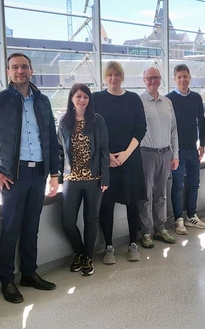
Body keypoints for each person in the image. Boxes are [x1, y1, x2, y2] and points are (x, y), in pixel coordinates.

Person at [0, 52, 59, 304]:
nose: (20, 71)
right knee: (10, 229)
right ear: (8, 72)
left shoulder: (42, 101)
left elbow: (51, 139)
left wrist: (54, 173)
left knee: (32, 227)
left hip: (38, 172)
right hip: (12, 176)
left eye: (24, 67)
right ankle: (7, 281)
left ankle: (29, 274)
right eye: (15, 67)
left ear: (31, 70)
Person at [92, 61, 147, 264]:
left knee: (132, 203)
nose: (113, 78)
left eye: (116, 74)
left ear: (122, 76)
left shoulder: (133, 99)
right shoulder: (96, 98)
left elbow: (140, 128)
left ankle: (133, 243)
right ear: (105, 77)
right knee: (106, 204)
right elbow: (92, 130)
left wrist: (125, 154)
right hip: (105, 161)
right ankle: (109, 246)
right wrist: (107, 156)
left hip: (130, 159)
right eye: (109, 75)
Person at [58, 83, 109, 276]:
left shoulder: (97, 121)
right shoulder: (64, 122)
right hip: (71, 178)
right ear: (72, 98)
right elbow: (59, 151)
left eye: (85, 97)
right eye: (78, 96)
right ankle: (79, 252)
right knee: (67, 221)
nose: (82, 100)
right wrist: (57, 176)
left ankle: (87, 257)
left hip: (94, 178)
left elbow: (104, 149)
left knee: (91, 219)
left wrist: (105, 178)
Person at [137, 67, 179, 248]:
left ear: (160, 79)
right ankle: (146, 232)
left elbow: (174, 131)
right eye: (149, 78)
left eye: (155, 77)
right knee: (146, 195)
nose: (152, 81)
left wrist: (175, 154)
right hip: (146, 153)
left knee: (161, 194)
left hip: (165, 153)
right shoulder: (138, 102)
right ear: (143, 80)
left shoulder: (167, 102)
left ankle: (160, 228)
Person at [165, 64, 205, 235]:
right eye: (179, 77)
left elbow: (201, 122)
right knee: (178, 185)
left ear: (190, 77)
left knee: (195, 183)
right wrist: (171, 151)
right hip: (177, 150)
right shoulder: (169, 99)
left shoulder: (196, 98)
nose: (183, 79)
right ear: (175, 79)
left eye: (185, 76)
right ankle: (178, 219)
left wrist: (202, 144)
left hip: (193, 148)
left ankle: (192, 215)